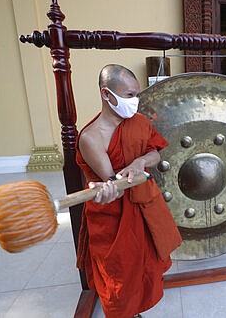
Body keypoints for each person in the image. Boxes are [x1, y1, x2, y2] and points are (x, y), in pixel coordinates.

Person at [75, 64, 182, 318]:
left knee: (145, 266)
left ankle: (136, 311)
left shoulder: (139, 122)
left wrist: (141, 161)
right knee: (120, 276)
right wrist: (111, 188)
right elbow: (114, 183)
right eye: (129, 95)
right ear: (106, 94)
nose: (135, 101)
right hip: (113, 214)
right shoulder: (91, 137)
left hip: (144, 206)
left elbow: (155, 153)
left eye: (136, 94)